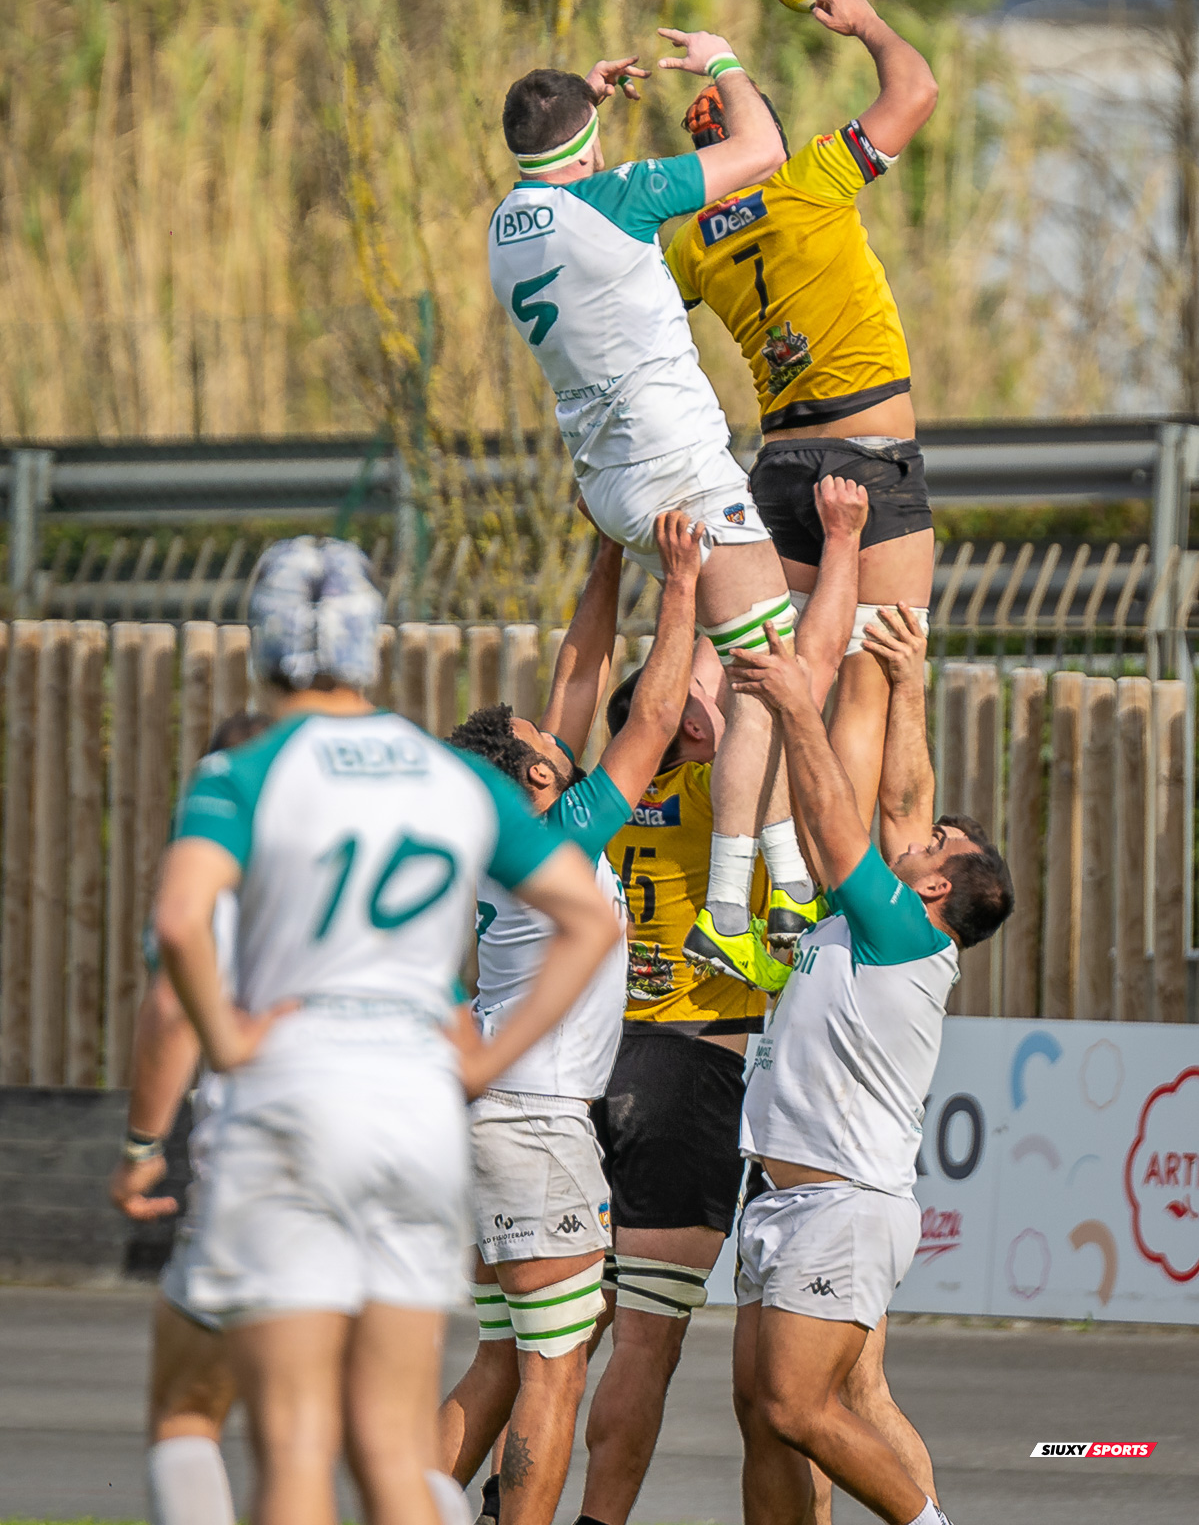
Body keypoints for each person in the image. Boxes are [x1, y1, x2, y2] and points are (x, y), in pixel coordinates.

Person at [152, 537, 622, 1525]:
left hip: (295, 1101)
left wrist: (229, 1046)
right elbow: (588, 919)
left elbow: (180, 925)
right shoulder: (457, 782)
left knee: (290, 1447)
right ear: (372, 647)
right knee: (392, 1450)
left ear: (262, 647)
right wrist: (489, 1054)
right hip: (416, 1117)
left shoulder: (246, 769)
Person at [490, 29, 816, 984]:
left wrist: (583, 106)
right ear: (589, 149)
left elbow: (555, 184)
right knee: (773, 675)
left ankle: (789, 891)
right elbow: (761, 150)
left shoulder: (506, 223)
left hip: (611, 483)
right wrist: (721, 62)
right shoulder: (617, 195)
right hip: (678, 470)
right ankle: (729, 907)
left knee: (764, 669)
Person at [580, 477, 866, 1525]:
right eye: (705, 699)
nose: (717, 699)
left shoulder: (593, 802)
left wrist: (625, 563)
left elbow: (592, 680)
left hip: (587, 1067)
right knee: (648, 1347)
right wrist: (818, 549)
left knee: (546, 1340)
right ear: (690, 728)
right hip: (688, 1066)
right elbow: (794, 669)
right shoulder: (716, 787)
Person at [437, 511, 703, 1525]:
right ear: (536, 777)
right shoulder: (556, 839)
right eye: (554, 747)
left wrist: (604, 559)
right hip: (538, 1120)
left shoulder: (513, 836)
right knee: (551, 1376)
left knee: (503, 1361)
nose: (568, 740)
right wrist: (676, 581)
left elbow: (576, 679)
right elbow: (645, 719)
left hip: (492, 1120)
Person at [727, 602, 1014, 1525]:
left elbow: (832, 806)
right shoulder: (882, 919)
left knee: (797, 1407)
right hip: (785, 1200)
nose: (918, 837)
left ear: (934, 887)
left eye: (934, 848)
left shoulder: (898, 929)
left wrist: (793, 708)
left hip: (841, 1207)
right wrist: (907, 682)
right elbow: (898, 802)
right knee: (764, 1421)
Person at [665, 0, 940, 821]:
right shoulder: (809, 177)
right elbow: (914, 92)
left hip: (777, 474)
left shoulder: (689, 245)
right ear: (766, 138)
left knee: (768, 684)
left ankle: (744, 867)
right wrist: (865, 23)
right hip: (870, 462)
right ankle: (836, 888)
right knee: (863, 689)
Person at [110, 713, 267, 1525]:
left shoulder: (209, 870)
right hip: (388, 1159)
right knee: (365, 1433)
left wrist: (141, 1148)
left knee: (186, 1412)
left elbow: (172, 1003)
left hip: (262, 1153)